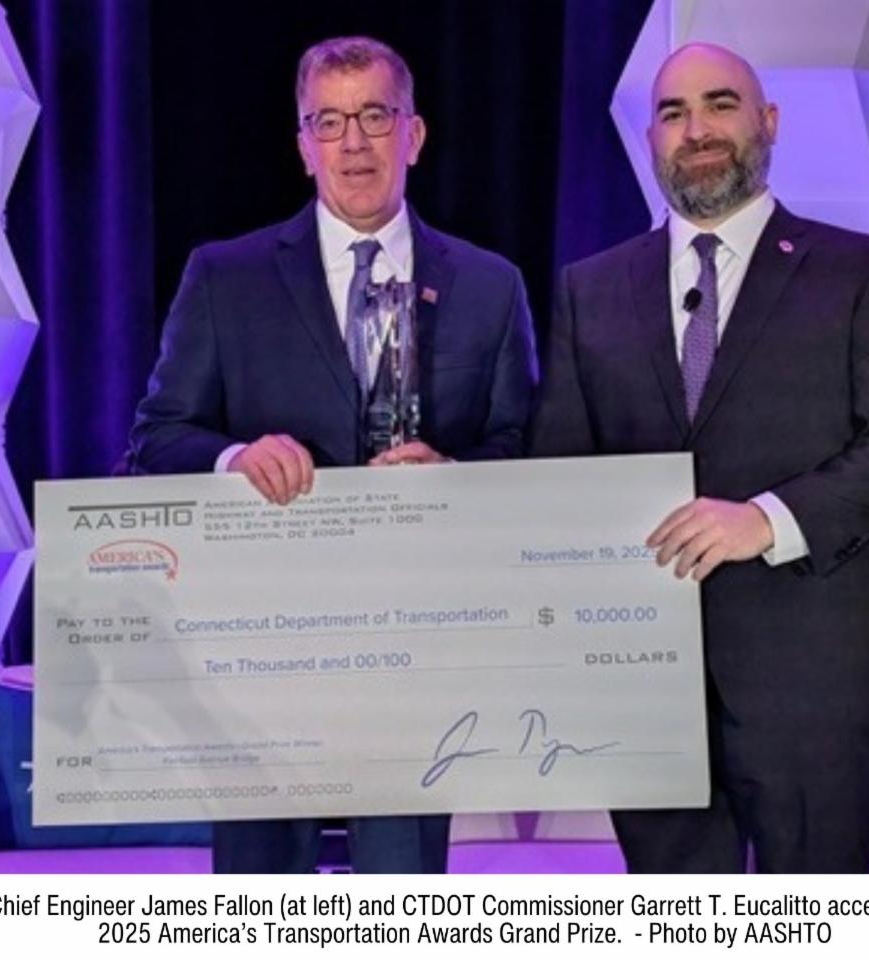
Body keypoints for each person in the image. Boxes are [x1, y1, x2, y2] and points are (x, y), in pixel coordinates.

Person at [530, 42, 869, 873]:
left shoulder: (862, 271)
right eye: (673, 112)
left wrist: (767, 520)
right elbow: (561, 476)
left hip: (819, 692)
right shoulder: (591, 288)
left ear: (769, 121)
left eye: (721, 104)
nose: (697, 130)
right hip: (649, 695)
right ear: (650, 139)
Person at [128, 35, 537, 873]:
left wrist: (457, 478)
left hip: (422, 656)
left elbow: (529, 449)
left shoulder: (492, 286)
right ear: (303, 144)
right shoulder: (224, 278)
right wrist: (234, 456)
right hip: (265, 657)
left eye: (375, 116)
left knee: (403, 903)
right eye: (329, 121)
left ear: (414, 135)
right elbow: (155, 440)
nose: (354, 142)